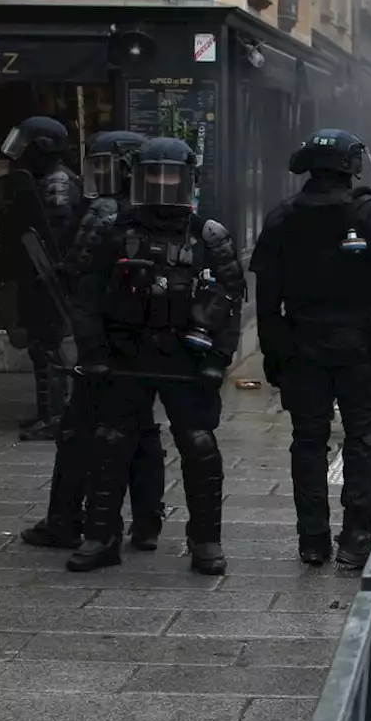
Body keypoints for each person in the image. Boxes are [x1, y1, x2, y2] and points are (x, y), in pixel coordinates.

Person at [68, 137, 243, 574]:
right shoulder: (115, 230)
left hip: (186, 355)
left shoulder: (209, 236)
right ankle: (100, 535)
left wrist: (217, 358)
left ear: (189, 181)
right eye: (154, 177)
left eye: (172, 177)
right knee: (110, 443)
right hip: (126, 353)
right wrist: (93, 351)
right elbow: (86, 296)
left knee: (200, 446)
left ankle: (205, 540)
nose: (163, 186)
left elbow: (231, 302)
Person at [251, 129, 371, 568]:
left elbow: (265, 299)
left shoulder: (282, 217)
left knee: (308, 441)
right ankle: (356, 539)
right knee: (362, 439)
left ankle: (313, 540)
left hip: (302, 347)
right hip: (359, 346)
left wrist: (272, 353)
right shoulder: (367, 212)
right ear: (350, 166)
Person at [20, 130, 168, 552]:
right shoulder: (163, 209)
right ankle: (147, 524)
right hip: (149, 341)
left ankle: (66, 521)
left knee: (78, 431)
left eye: (104, 165)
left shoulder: (104, 210)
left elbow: (77, 275)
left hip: (104, 339)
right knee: (142, 430)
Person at [0, 116, 83, 441]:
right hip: (34, 276)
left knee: (48, 346)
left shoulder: (58, 183)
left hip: (49, 279)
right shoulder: (40, 178)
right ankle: (47, 410)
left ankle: (56, 415)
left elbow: (54, 237)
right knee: (39, 346)